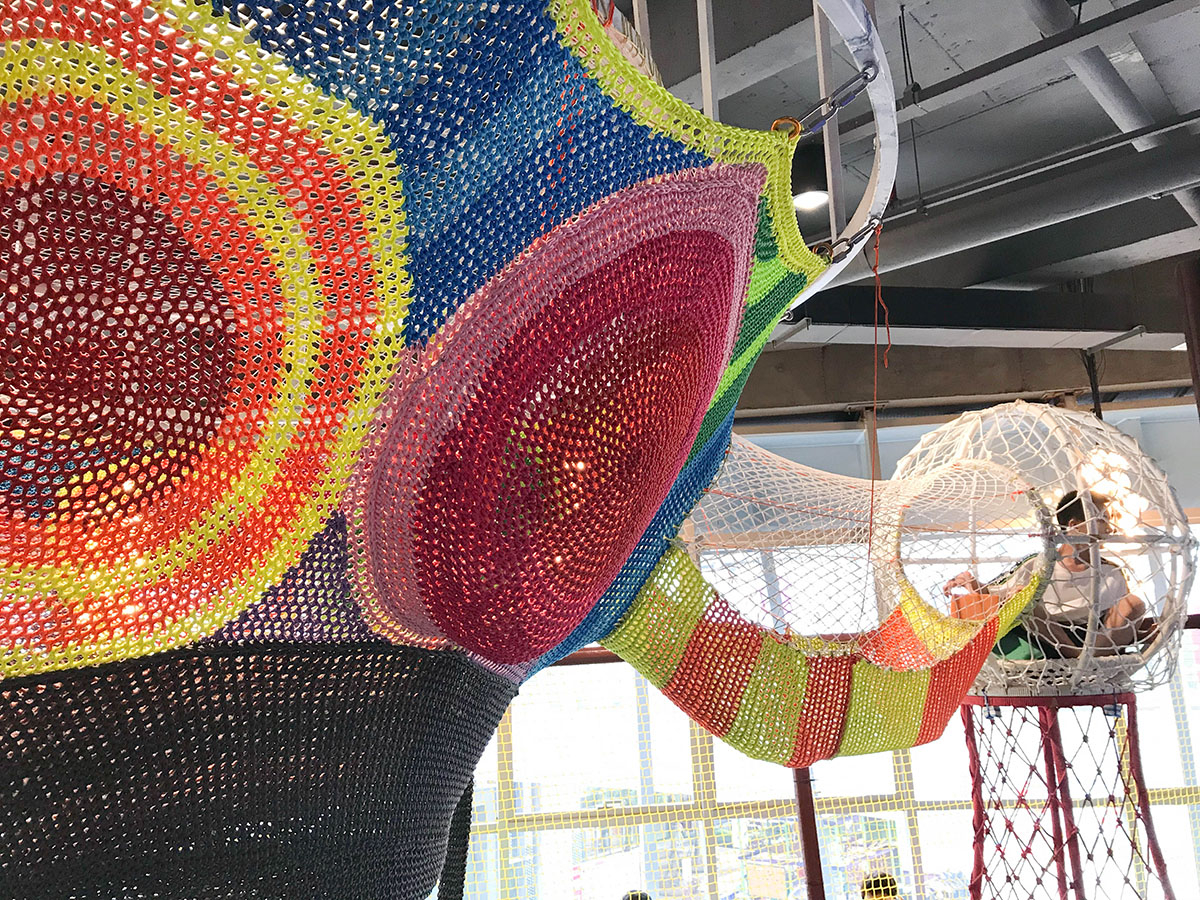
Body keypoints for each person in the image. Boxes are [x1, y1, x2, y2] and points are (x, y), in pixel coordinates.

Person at [943, 490, 1149, 658]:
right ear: (1074, 525)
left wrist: (1147, 632)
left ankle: (1090, 657)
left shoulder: (1112, 572)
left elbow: (1120, 622)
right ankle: (1078, 656)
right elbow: (998, 595)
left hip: (1094, 638)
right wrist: (973, 583)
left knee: (1135, 603)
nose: (1110, 529)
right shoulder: (1039, 564)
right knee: (1021, 596)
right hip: (1047, 639)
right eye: (1102, 519)